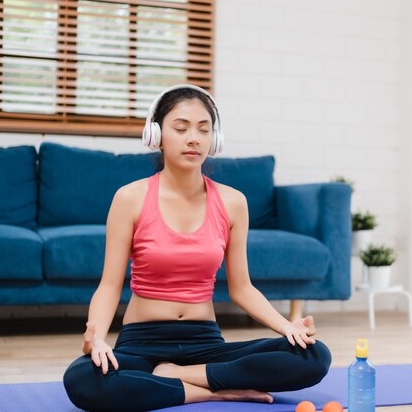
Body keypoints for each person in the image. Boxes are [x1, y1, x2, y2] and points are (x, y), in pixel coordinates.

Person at [62, 85, 331, 412]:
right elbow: (109, 284)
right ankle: (213, 392)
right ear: (156, 134)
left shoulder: (233, 203)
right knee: (81, 379)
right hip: (141, 343)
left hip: (205, 343)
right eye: (181, 128)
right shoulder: (129, 198)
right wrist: (99, 335)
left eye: (204, 130)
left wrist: (286, 326)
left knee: (314, 355)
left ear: (214, 140)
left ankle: (178, 376)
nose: (194, 138)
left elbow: (242, 289)